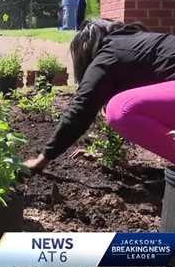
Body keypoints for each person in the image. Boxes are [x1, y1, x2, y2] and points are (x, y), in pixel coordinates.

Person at [23, 18, 175, 173]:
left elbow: (81, 109)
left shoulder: (109, 54)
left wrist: (41, 160)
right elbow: (143, 122)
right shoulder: (140, 45)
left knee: (119, 109)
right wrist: (104, 153)